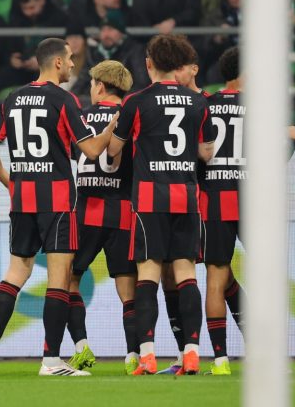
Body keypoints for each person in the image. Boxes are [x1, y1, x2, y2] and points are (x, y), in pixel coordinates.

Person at [0, 38, 118, 376]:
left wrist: (11, 182)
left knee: (16, 273)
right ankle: (51, 360)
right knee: (59, 278)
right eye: (70, 59)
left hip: (23, 200)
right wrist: (113, 125)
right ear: (57, 62)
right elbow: (92, 151)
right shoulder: (64, 99)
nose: (73, 64)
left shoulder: (13, 97)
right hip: (57, 200)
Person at [107, 34, 215, 376]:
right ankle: (192, 353)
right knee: (186, 274)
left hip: (149, 198)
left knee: (148, 274)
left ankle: (148, 356)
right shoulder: (198, 102)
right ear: (180, 65)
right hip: (186, 195)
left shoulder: (136, 102)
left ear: (149, 63)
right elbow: (208, 152)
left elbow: (113, 150)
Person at [65, 60, 137, 374]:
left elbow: (75, 154)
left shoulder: (81, 116)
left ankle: (81, 347)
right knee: (128, 290)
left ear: (100, 86)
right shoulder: (131, 117)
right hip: (123, 211)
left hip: (86, 210)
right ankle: (133, 356)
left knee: (69, 280)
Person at [196, 46, 248, 376]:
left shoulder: (206, 104)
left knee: (215, 280)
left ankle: (220, 361)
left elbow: (197, 153)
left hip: (214, 200)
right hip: (253, 201)